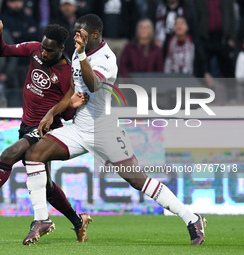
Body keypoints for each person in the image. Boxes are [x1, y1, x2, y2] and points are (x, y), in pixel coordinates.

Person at [23, 13, 207, 245]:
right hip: (79, 129)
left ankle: (191, 218)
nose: (77, 36)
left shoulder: (107, 58)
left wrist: (80, 55)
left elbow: (93, 85)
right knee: (34, 154)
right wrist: (53, 111)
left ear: (96, 35)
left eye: (82, 33)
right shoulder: (78, 51)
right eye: (76, 32)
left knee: (137, 180)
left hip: (105, 132)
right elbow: (73, 88)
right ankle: (41, 219)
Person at [0, 17, 92, 245]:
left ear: (61, 49)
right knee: (46, 187)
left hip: (46, 129)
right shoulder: (34, 49)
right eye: (43, 47)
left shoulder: (66, 73)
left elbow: (65, 114)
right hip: (26, 125)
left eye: (49, 50)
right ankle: (77, 220)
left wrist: (72, 105)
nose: (44, 53)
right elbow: (1, 52)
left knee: (8, 155)